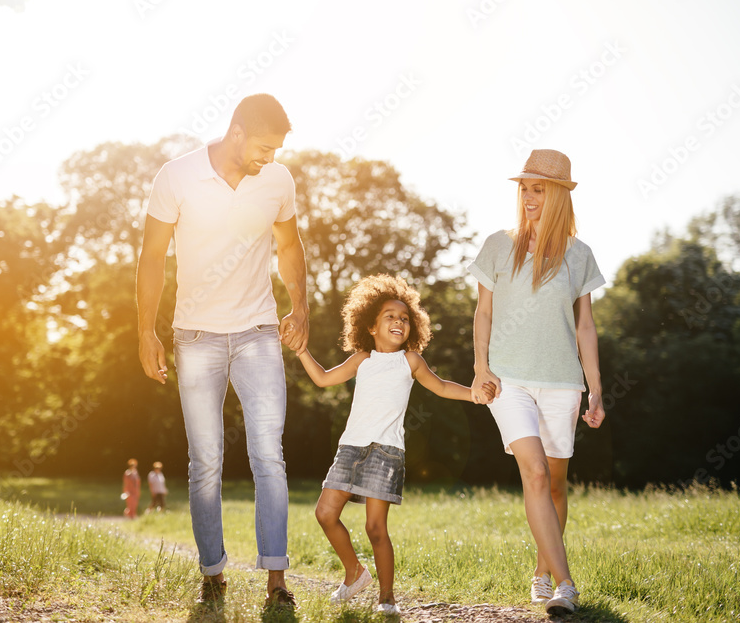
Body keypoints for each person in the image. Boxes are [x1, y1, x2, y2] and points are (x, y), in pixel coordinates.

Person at [136, 94, 308, 609]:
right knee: (205, 461)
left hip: (258, 331)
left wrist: (300, 306)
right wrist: (145, 331)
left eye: (277, 149)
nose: (270, 158)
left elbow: (290, 246)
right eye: (263, 147)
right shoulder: (176, 176)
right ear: (237, 132)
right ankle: (213, 573)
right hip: (195, 338)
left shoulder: (278, 181)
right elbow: (150, 258)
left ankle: (277, 582)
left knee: (268, 456)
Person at [297, 274, 495, 615]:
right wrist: (301, 349)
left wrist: (473, 394)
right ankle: (355, 573)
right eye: (390, 315)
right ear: (371, 326)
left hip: (386, 452)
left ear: (412, 326)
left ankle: (386, 598)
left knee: (376, 528)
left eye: (404, 318)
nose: (398, 321)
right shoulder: (362, 358)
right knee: (325, 514)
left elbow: (443, 386)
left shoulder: (411, 360)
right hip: (350, 448)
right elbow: (323, 378)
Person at [467, 149, 605, 616]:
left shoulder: (580, 256)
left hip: (563, 381)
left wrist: (597, 388)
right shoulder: (497, 246)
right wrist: (480, 367)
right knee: (535, 471)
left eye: (538, 189)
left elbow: (585, 326)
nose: (528, 196)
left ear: (560, 195)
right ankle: (567, 584)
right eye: (524, 187)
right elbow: (483, 312)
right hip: (509, 382)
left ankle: (543, 573)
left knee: (556, 484)